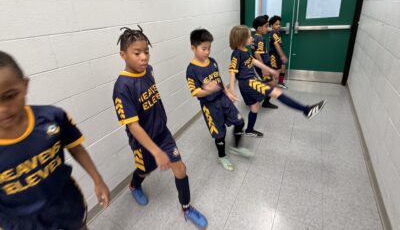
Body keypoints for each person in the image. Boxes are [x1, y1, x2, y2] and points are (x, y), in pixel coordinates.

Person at [0, 51, 110, 230]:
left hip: (65, 202)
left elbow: (76, 148)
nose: (3, 109)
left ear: (25, 85)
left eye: (10, 95)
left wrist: (98, 180)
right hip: (21, 222)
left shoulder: (52, 117)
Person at [112, 27, 207, 229]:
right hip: (142, 142)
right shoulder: (122, 88)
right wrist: (155, 152)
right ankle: (134, 185)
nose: (144, 57)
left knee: (180, 168)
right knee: (145, 169)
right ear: (123, 55)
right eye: (137, 53)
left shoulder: (148, 70)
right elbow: (134, 126)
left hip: (162, 133)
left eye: (146, 51)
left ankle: (186, 207)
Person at [228, 25, 326, 137]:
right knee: (277, 93)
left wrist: (269, 69)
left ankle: (249, 130)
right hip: (249, 83)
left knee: (255, 107)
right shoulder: (236, 54)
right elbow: (232, 70)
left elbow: (254, 61)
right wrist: (231, 89)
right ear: (241, 39)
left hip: (248, 83)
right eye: (249, 37)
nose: (252, 38)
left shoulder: (244, 51)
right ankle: (306, 110)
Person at [186, 29, 253, 171]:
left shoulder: (213, 62)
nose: (207, 52)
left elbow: (218, 80)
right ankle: (222, 156)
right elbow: (195, 92)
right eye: (204, 49)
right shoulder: (191, 70)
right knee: (220, 134)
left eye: (209, 48)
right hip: (209, 106)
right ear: (193, 48)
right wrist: (207, 90)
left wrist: (227, 92)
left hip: (223, 99)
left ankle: (237, 147)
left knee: (240, 122)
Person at [252, 15, 278, 109]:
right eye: (266, 26)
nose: (268, 28)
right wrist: (264, 69)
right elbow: (257, 54)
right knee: (272, 84)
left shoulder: (256, 37)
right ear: (259, 28)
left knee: (267, 83)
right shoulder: (260, 39)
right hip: (263, 67)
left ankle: (260, 99)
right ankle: (264, 102)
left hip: (262, 66)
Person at [269, 15, 288, 89]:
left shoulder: (277, 33)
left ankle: (280, 82)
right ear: (271, 25)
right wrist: (282, 56)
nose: (279, 26)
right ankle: (270, 87)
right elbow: (277, 45)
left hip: (278, 55)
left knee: (283, 67)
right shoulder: (273, 33)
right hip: (274, 56)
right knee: (275, 71)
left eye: (279, 24)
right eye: (276, 24)